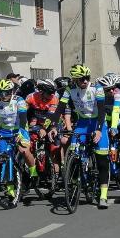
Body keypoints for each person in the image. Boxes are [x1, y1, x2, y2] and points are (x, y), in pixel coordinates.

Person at [48, 64, 111, 209]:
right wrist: (53, 126)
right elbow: (60, 109)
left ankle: (103, 195)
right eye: (81, 79)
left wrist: (100, 130)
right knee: (76, 152)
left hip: (97, 122)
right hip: (83, 123)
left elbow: (102, 112)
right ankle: (77, 176)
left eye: (87, 78)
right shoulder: (70, 90)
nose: (85, 81)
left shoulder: (97, 89)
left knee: (102, 159)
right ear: (75, 80)